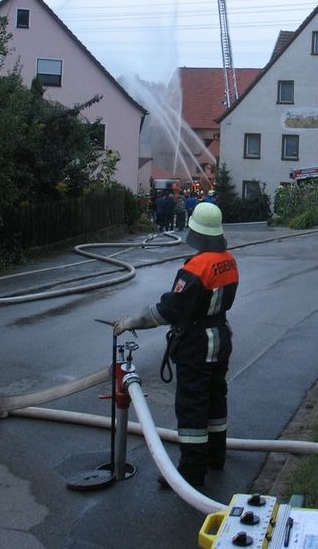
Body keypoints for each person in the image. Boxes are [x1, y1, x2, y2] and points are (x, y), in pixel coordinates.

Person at [113, 202, 239, 488]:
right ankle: (216, 456)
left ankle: (191, 472)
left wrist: (133, 321)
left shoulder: (196, 268)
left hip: (196, 345)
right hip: (220, 339)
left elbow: (171, 309)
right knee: (216, 401)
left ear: (197, 232)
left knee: (192, 406)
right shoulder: (229, 260)